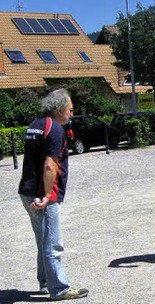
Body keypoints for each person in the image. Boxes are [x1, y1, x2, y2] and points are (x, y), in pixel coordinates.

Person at [17, 89, 89, 300]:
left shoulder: (36, 124)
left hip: (27, 190)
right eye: (70, 109)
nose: (71, 114)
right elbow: (50, 164)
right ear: (59, 110)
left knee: (42, 240)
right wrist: (48, 195)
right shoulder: (55, 128)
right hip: (43, 194)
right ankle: (59, 289)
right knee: (52, 243)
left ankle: (46, 282)